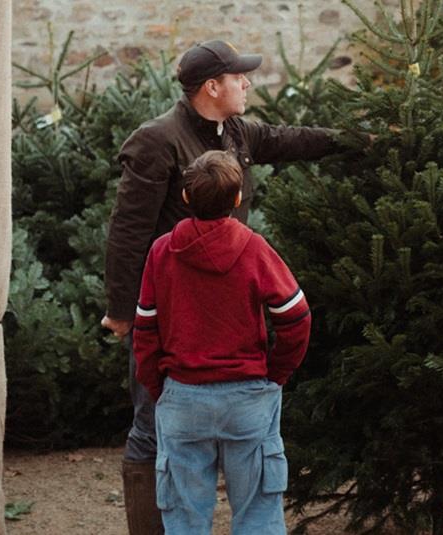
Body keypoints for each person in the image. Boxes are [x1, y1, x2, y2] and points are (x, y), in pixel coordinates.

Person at [101, 40, 344, 534]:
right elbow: (127, 232)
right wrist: (123, 311)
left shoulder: (233, 131)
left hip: (232, 316)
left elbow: (288, 139)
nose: (247, 83)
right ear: (212, 87)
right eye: (239, 77)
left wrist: (356, 140)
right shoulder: (157, 141)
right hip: (172, 318)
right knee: (150, 432)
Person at [133, 150, 311, 534]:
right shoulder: (254, 248)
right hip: (247, 398)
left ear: (184, 198)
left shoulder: (162, 251)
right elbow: (296, 317)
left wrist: (157, 386)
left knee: (183, 520)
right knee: (259, 517)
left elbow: (145, 330)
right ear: (237, 198)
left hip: (182, 399)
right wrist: (276, 373)